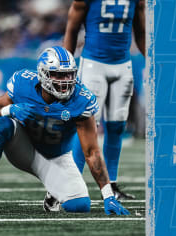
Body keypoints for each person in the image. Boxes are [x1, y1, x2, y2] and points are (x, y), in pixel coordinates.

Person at [0, 46, 129, 215]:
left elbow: (91, 152)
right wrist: (10, 110)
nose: (65, 81)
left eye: (69, 74)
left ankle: (53, 194)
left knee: (79, 206)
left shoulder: (82, 99)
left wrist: (108, 195)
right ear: (43, 74)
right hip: (24, 149)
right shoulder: (24, 83)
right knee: (2, 123)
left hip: (57, 158)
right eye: (58, 75)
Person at [63, 0, 145, 200]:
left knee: (117, 126)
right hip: (93, 65)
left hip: (123, 64)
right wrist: (66, 64)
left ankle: (111, 185)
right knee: (87, 125)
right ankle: (68, 186)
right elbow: (72, 30)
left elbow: (141, 32)